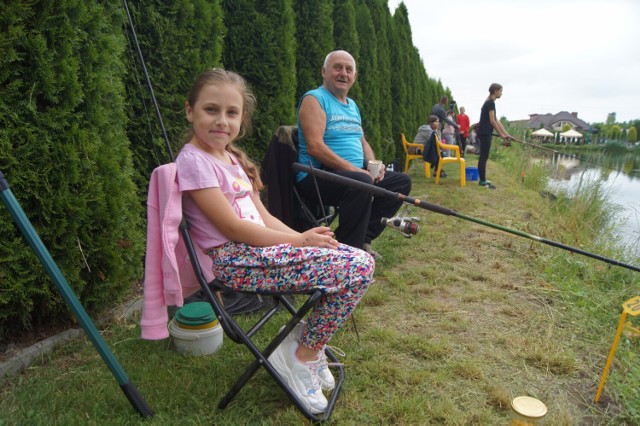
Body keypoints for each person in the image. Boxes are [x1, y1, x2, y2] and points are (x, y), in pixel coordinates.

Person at [175, 68, 374, 414]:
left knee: (358, 260)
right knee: (354, 266)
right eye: (211, 110)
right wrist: (299, 242)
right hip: (235, 262)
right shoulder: (193, 162)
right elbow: (234, 228)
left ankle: (302, 344)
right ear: (189, 110)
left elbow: (264, 218)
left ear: (242, 119)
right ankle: (302, 353)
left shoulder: (232, 160)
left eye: (232, 113)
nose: (222, 121)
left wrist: (302, 239)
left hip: (259, 253)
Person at [295, 50, 412, 258]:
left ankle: (362, 239)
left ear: (354, 76)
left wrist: (375, 164)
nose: (344, 73)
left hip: (354, 176)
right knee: (361, 182)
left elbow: (362, 140)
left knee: (400, 182)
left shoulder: (352, 105)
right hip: (316, 176)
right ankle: (347, 257)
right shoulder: (314, 99)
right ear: (324, 72)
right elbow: (315, 146)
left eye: (349, 70)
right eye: (337, 67)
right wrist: (358, 172)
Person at [477, 83, 512, 189]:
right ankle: (482, 182)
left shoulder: (488, 102)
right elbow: (492, 121)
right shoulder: (491, 103)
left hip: (484, 132)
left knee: (484, 156)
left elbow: (496, 120)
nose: (502, 93)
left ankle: (482, 180)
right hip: (485, 133)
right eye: (501, 91)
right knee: (484, 156)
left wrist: (506, 134)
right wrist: (501, 135)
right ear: (496, 91)